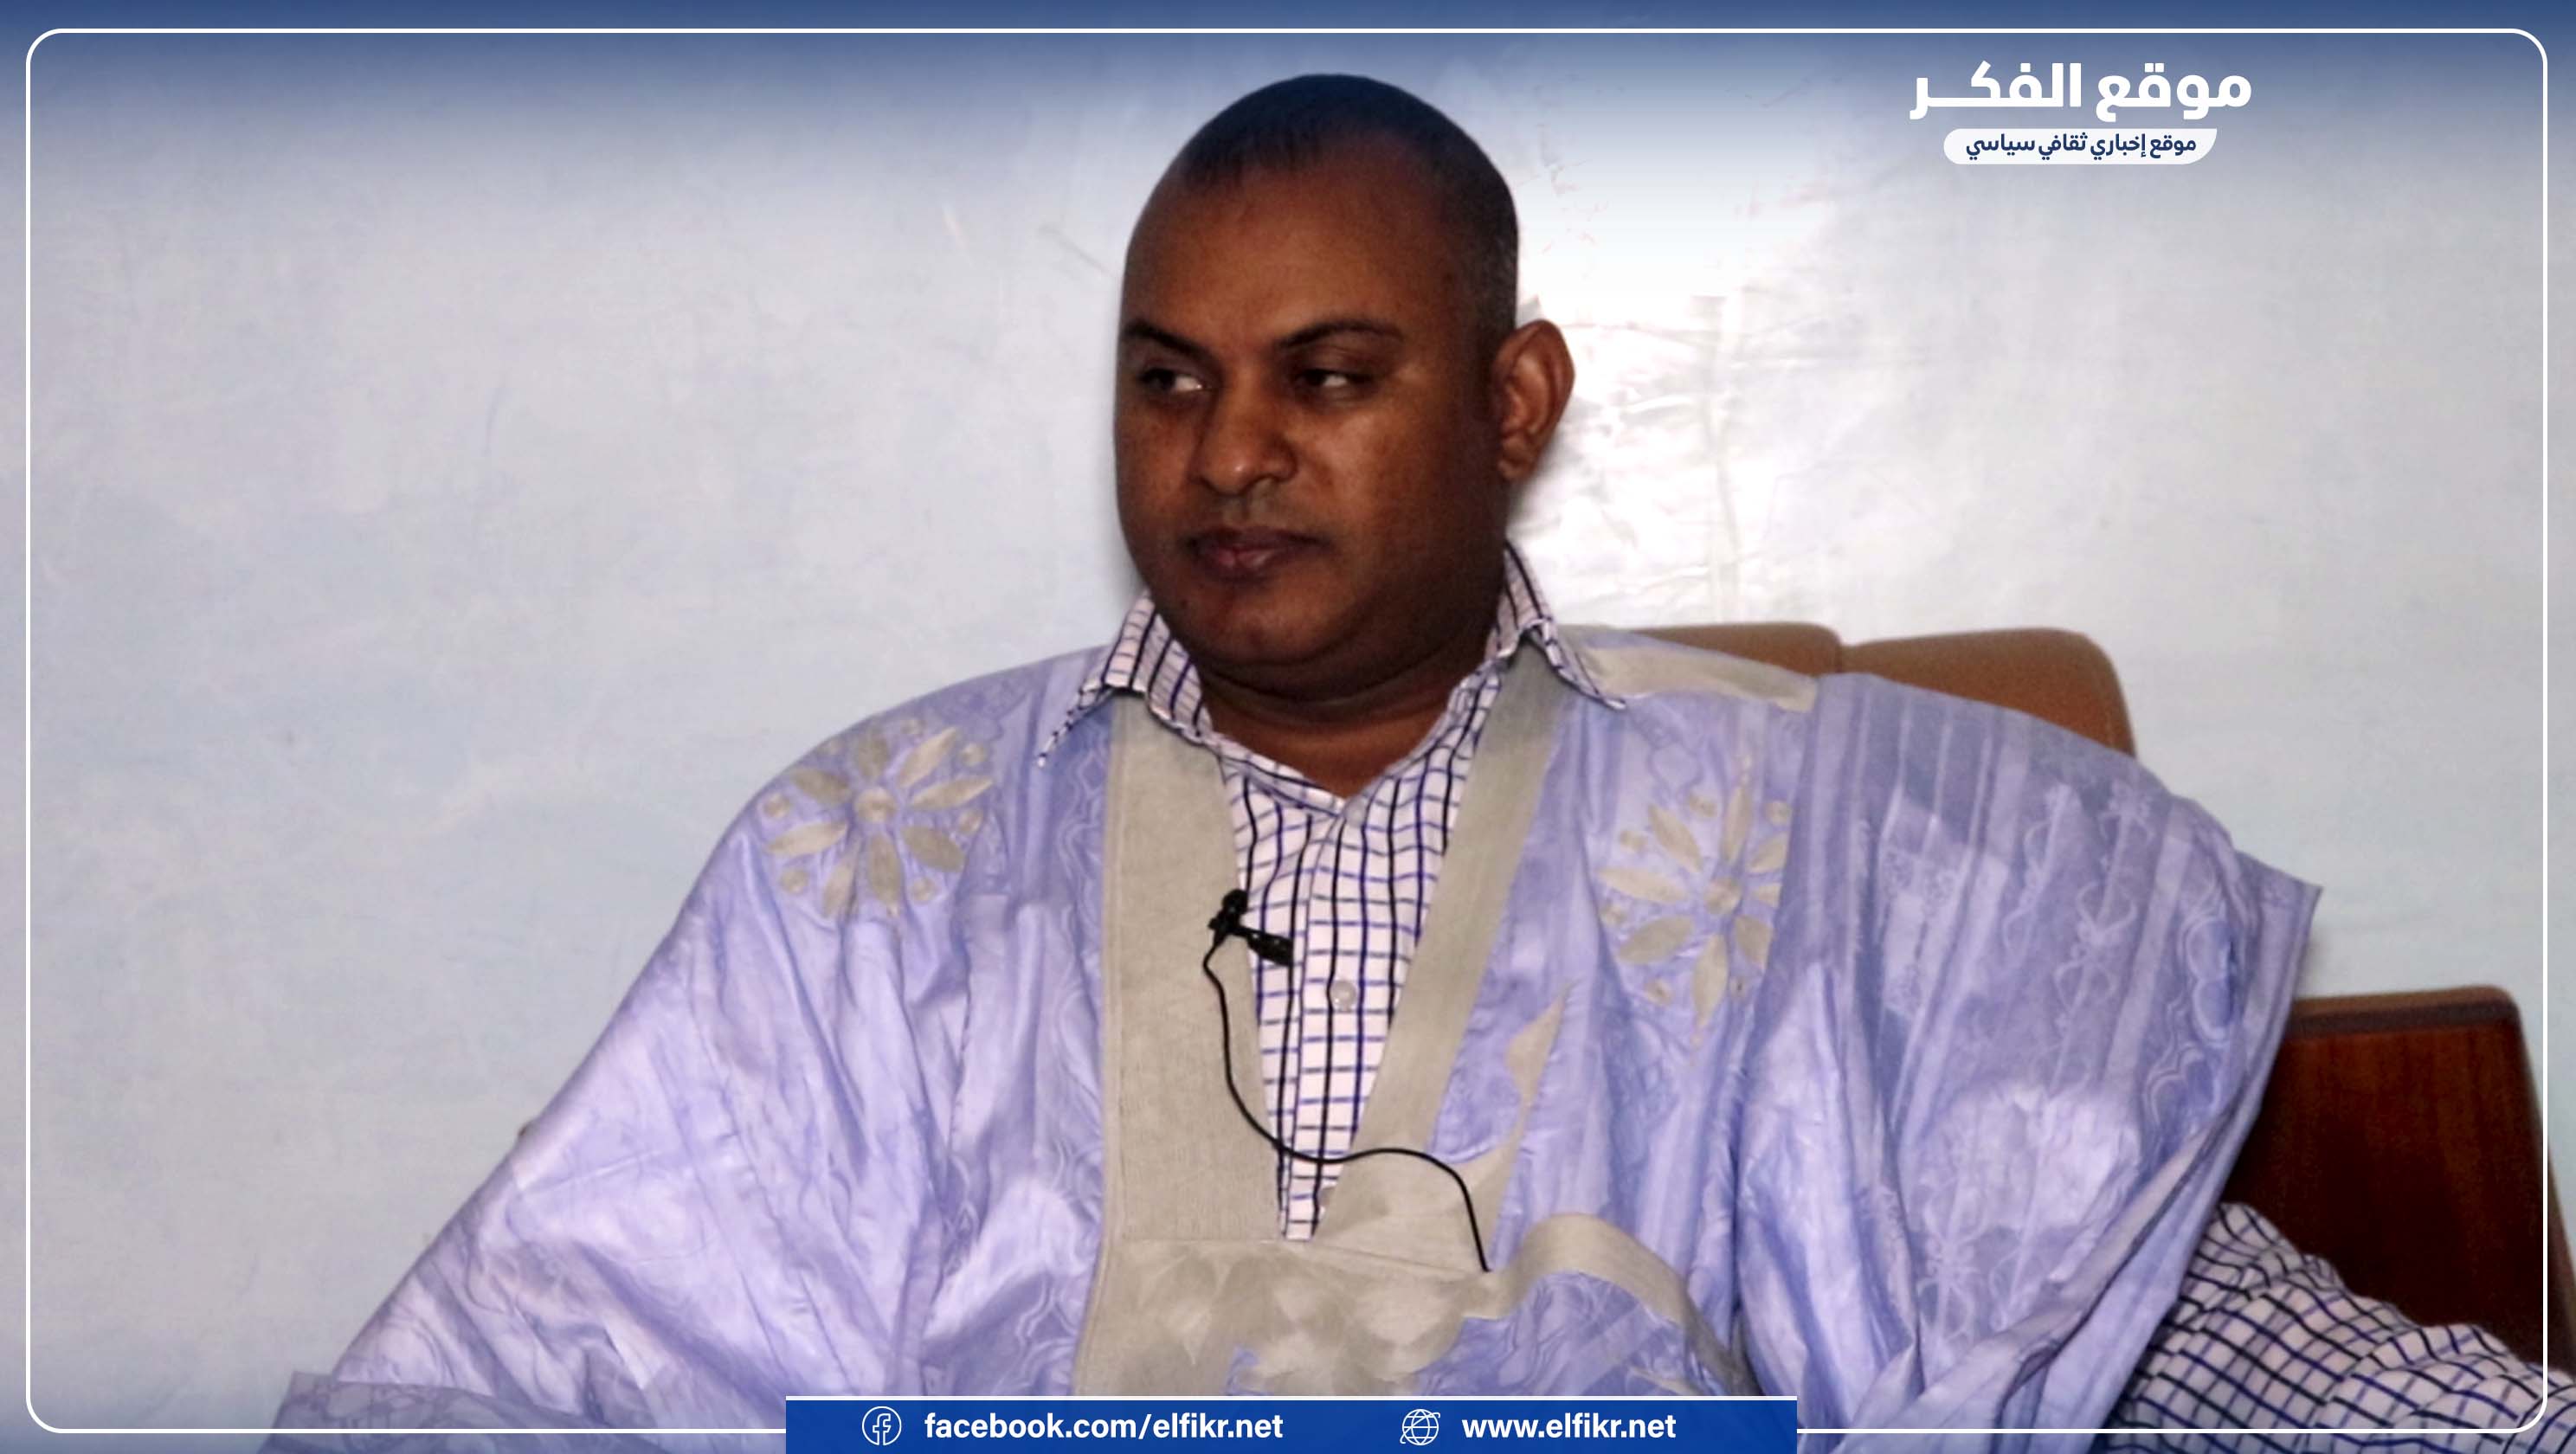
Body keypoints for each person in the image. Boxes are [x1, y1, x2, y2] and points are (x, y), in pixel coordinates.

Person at [270, 74, 2568, 1451]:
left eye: (1329, 376)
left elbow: (2162, 1335)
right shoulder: (878, 865)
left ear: (1511, 401)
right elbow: (524, 1376)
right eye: (1170, 381)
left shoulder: (1850, 847)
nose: (1229, 453)